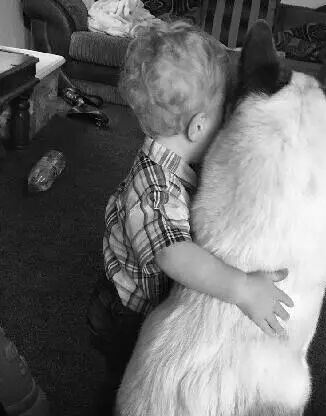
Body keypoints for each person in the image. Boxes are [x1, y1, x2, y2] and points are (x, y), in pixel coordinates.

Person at [87, 20, 293, 406]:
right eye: (222, 114)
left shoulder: (175, 158)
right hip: (124, 312)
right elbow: (174, 254)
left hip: (134, 289)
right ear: (199, 126)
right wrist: (243, 288)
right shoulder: (155, 189)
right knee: (128, 377)